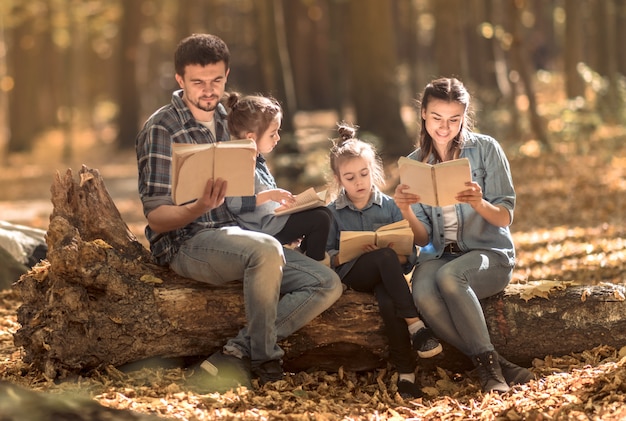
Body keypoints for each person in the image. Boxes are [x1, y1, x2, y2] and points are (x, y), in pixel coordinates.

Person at [135, 33, 343, 390]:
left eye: (216, 80)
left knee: (326, 283)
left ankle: (236, 351)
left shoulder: (230, 119)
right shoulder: (161, 128)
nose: (208, 90)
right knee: (264, 249)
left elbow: (254, 184)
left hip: (241, 236)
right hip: (187, 242)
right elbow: (156, 218)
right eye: (197, 82)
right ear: (179, 80)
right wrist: (199, 206)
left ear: (226, 74)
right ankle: (265, 360)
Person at [394, 77, 534, 394]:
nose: (445, 128)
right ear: (424, 116)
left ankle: (490, 374)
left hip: (489, 255)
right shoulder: (416, 163)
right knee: (423, 294)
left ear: (464, 116)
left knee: (451, 276)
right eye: (437, 118)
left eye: (454, 119)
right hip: (439, 254)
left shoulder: (486, 150)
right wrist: (405, 211)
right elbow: (423, 240)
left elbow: (505, 215)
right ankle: (496, 363)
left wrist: (479, 203)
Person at [325, 124, 442, 400]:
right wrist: (355, 253)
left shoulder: (390, 206)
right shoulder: (331, 213)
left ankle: (406, 375)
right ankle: (416, 326)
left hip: (387, 277)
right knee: (382, 258)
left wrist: (389, 252)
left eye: (364, 174)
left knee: (389, 300)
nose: (359, 182)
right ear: (339, 179)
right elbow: (326, 259)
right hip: (353, 275)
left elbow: (408, 258)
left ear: (373, 171)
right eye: (350, 177)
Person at [224, 93, 332, 265]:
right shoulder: (239, 164)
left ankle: (305, 256)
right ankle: (316, 266)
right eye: (272, 134)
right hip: (262, 229)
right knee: (320, 219)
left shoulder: (256, 159)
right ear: (251, 137)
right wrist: (270, 195)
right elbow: (235, 204)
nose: (278, 138)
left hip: (273, 222)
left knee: (323, 212)